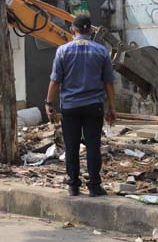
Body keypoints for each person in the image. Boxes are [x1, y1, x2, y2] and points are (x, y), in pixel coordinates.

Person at [46, 14, 116, 197]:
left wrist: (48, 103)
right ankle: (94, 186)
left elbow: (55, 81)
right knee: (93, 146)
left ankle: (73, 186)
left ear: (72, 30)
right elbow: (109, 82)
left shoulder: (62, 51)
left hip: (70, 106)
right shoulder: (102, 51)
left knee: (72, 146)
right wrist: (112, 108)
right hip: (94, 106)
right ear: (91, 31)